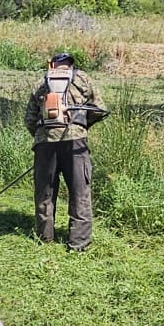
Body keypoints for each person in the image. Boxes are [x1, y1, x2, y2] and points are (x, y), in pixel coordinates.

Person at [24, 52, 103, 252]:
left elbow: (30, 119)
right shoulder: (83, 79)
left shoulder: (41, 82)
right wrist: (81, 126)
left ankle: (45, 238)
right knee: (79, 192)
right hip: (76, 144)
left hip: (45, 145)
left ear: (52, 65)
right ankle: (78, 243)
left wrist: (42, 136)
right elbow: (99, 109)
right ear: (70, 65)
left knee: (45, 192)